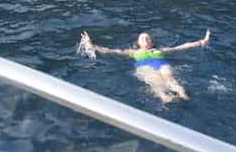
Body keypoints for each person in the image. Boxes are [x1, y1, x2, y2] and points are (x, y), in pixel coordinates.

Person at [80, 30, 211, 103]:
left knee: (170, 79)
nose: (146, 39)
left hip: (162, 65)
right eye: (143, 38)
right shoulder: (133, 52)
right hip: (145, 68)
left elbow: (181, 47)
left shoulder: (160, 50)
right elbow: (111, 51)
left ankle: (183, 95)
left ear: (152, 42)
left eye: (148, 38)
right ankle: (165, 98)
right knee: (156, 83)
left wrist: (201, 42)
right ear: (138, 42)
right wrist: (92, 46)